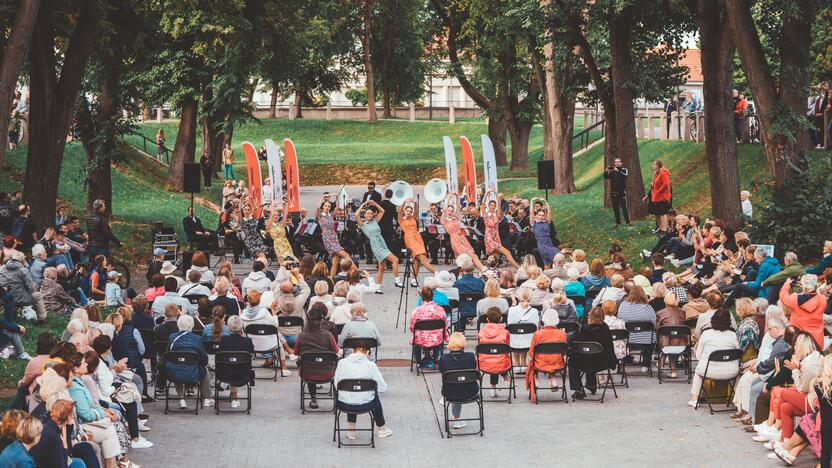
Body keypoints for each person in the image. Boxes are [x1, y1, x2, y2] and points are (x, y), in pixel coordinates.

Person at [334, 339, 392, 439]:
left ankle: (352, 430)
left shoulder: (342, 363)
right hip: (366, 404)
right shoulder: (371, 365)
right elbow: (383, 387)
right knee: (374, 394)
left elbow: (336, 385)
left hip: (344, 404)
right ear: (368, 352)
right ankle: (382, 428)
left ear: (353, 351)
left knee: (350, 392)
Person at [687, 309, 741, 407]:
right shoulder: (733, 335)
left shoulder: (706, 334)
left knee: (698, 372)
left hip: (708, 371)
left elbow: (698, 356)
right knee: (737, 375)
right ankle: (738, 401)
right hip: (731, 371)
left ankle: (694, 399)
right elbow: (738, 353)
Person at [294, 304, 340, 409]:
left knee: (309, 365)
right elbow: (335, 350)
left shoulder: (301, 335)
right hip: (327, 372)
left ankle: (313, 398)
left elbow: (296, 352)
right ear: (321, 320)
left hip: (307, 372)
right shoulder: (328, 335)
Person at [240, 291, 292, 376]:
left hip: (250, 344)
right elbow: (275, 325)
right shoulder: (264, 312)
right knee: (279, 342)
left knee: (276, 336)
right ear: (259, 300)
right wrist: (273, 311)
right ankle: (284, 368)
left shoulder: (243, 314)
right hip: (268, 344)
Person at [569, 307, 616, 400]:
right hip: (602, 361)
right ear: (603, 316)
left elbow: (577, 343)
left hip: (586, 361)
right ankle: (591, 385)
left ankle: (578, 389)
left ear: (590, 316)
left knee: (573, 361)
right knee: (593, 354)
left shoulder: (585, 329)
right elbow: (610, 346)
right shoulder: (605, 329)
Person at [167, 315, 213, 409]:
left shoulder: (172, 337)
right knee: (205, 371)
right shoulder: (197, 338)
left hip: (175, 371)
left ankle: (181, 398)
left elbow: (169, 354)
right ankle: (207, 398)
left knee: (175, 366)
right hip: (193, 371)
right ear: (192, 325)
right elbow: (204, 358)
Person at [356, 199, 401, 288]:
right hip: (376, 245)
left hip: (382, 243)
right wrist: (363, 204)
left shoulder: (375, 221)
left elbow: (382, 211)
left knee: (381, 268)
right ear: (365, 215)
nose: (369, 215)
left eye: (371, 213)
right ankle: (397, 280)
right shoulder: (363, 225)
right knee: (395, 260)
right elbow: (356, 214)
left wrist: (374, 203)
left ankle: (378, 287)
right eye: (367, 213)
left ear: (373, 215)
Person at [438, 332, 478, 429]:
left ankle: (456, 418)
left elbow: (442, 372)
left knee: (454, 384)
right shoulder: (471, 357)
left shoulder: (443, 359)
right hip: (470, 391)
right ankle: (457, 420)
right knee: (460, 384)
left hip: (450, 392)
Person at [525, 309, 567, 401]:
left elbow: (531, 352)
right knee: (553, 357)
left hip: (540, 363)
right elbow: (564, 352)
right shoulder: (562, 334)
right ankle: (553, 380)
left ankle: (535, 379)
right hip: (557, 363)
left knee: (533, 360)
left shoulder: (538, 334)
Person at [617, 285, 657, 373]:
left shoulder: (623, 306)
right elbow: (654, 324)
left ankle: (623, 361)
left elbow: (620, 320)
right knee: (652, 335)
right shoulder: (647, 308)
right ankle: (645, 364)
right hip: (645, 340)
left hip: (628, 338)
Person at [780, 275, 827, 348]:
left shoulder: (794, 299)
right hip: (817, 339)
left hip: (800, 339)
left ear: (802, 285)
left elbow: (783, 297)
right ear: (815, 286)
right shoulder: (823, 299)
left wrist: (787, 284)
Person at [441, 192, 484, 271]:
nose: (450, 212)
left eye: (451, 211)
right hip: (454, 240)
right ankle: (480, 270)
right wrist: (449, 198)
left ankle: (483, 270)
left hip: (462, 238)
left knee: (473, 255)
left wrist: (457, 196)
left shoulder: (455, 218)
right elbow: (444, 209)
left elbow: (458, 207)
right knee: (463, 258)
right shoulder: (444, 220)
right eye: (448, 210)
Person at [398, 198, 436, 286]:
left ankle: (413, 279)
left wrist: (415, 203)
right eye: (407, 211)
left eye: (410, 211)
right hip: (409, 238)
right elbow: (400, 211)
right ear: (405, 211)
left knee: (417, 260)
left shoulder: (413, 218)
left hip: (417, 238)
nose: (409, 212)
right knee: (422, 257)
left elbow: (416, 211)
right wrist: (404, 202)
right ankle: (437, 274)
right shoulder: (401, 219)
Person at [409, 288, 448, 369]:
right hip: (437, 339)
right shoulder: (440, 310)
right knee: (436, 335)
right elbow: (445, 325)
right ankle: (436, 358)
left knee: (416, 338)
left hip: (421, 339)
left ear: (421, 297)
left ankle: (418, 361)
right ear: (432, 296)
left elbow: (412, 328)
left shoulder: (417, 311)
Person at [481, 190, 519, 268]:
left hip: (496, 237)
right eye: (491, 205)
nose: (492, 206)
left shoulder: (496, 215)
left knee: (495, 256)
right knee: (507, 252)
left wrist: (495, 194)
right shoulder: (485, 215)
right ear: (489, 206)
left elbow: (499, 203)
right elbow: (482, 203)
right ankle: (518, 268)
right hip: (489, 237)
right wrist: (487, 193)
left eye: (493, 205)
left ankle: (490, 271)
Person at [317, 195, 352, 278]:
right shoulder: (320, 215)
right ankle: (356, 272)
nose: (327, 207)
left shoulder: (330, 215)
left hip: (334, 238)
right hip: (327, 239)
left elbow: (336, 206)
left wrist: (337, 197)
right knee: (346, 255)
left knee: (335, 262)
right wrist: (322, 197)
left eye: (329, 206)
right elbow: (318, 207)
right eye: (326, 206)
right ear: (323, 206)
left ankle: (331, 280)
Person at [506, 288, 539, 372]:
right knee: (524, 336)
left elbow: (509, 326)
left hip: (514, 341)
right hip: (529, 341)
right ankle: (524, 364)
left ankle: (516, 364)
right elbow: (536, 329)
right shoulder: (534, 311)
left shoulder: (511, 310)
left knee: (515, 336)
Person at [655, 292, 685, 378]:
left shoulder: (660, 313)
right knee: (673, 338)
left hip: (665, 345)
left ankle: (662, 363)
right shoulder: (682, 312)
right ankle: (673, 371)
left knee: (667, 338)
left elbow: (657, 329)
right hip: (681, 345)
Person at [453, 255, 485, 332]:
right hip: (476, 309)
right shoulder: (480, 282)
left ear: (462, 270)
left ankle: (460, 330)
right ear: (473, 269)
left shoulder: (458, 283)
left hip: (462, 309)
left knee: (461, 305)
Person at [643, 160, 671, 234]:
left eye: (654, 165)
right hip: (656, 197)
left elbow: (666, 184)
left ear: (658, 166)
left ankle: (664, 229)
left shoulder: (663, 173)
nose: (653, 167)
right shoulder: (656, 174)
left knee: (662, 213)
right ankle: (660, 228)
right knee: (657, 213)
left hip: (662, 197)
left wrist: (659, 191)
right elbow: (654, 185)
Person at [530, 200, 560, 268]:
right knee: (558, 255)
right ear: (536, 215)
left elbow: (549, 212)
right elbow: (531, 212)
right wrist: (532, 201)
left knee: (547, 264)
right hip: (541, 244)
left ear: (544, 216)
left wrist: (545, 202)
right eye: (539, 215)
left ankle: (546, 275)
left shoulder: (547, 222)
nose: (541, 217)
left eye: (542, 215)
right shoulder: (534, 223)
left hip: (549, 242)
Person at [604, 157, 630, 227]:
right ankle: (618, 224)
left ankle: (628, 223)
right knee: (616, 209)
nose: (616, 163)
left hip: (621, 192)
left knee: (624, 208)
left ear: (621, 163)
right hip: (613, 192)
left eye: (618, 162)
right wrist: (606, 171)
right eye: (615, 162)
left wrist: (618, 171)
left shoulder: (624, 170)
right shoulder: (612, 171)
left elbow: (625, 175)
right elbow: (606, 177)